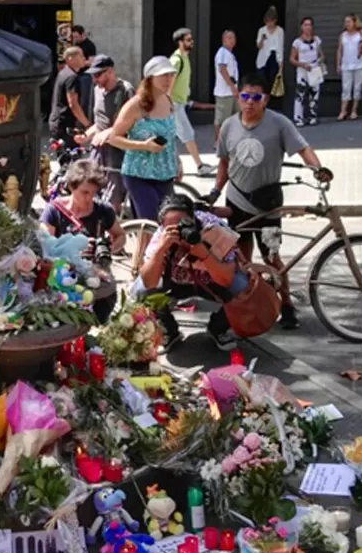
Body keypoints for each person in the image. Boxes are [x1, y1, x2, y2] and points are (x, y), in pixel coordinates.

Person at [214, 71, 332, 330]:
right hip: (236, 203)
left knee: (273, 258)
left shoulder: (279, 124)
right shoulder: (228, 126)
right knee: (241, 260)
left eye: (256, 97)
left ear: (265, 99)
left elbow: (303, 149)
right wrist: (215, 190)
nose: (250, 102)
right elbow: (224, 162)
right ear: (238, 97)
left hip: (268, 206)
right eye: (245, 96)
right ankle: (245, 306)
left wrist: (318, 168)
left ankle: (287, 304)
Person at [136, 194, 252, 351]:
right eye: (172, 226)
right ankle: (169, 330)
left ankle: (218, 328)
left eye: (184, 224)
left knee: (243, 289)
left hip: (212, 283)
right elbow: (148, 281)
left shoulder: (215, 228)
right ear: (163, 225)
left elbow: (227, 279)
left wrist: (205, 254)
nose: (179, 231)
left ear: (194, 217)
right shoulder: (162, 234)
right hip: (176, 282)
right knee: (142, 290)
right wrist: (162, 248)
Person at [41, 159, 122, 321]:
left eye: (93, 193)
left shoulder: (103, 210)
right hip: (63, 277)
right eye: (84, 192)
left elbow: (120, 235)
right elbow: (45, 247)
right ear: (72, 187)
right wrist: (72, 251)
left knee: (103, 306)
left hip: (96, 273)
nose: (89, 198)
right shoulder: (54, 211)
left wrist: (109, 247)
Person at [108, 56, 182, 222]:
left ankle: (146, 248)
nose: (168, 80)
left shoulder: (168, 100)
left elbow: (171, 136)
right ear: (150, 78)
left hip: (166, 173)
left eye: (171, 75)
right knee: (151, 223)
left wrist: (177, 160)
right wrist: (144, 146)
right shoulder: (135, 105)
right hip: (140, 175)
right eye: (163, 75)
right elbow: (114, 138)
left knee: (169, 222)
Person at [83, 55, 133, 212]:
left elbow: (133, 121)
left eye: (98, 75)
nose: (94, 79)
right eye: (92, 75)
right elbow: (99, 120)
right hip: (98, 150)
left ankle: (114, 227)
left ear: (110, 71)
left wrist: (109, 132)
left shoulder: (125, 90)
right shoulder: (97, 90)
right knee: (93, 189)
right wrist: (87, 134)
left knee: (114, 194)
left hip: (117, 149)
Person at [168, 28, 216, 176]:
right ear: (180, 42)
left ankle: (174, 166)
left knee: (170, 137)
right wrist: (169, 104)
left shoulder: (184, 58)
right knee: (187, 135)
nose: (191, 42)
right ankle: (200, 166)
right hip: (174, 105)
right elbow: (169, 84)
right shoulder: (176, 60)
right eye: (188, 40)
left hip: (178, 104)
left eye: (191, 39)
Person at [336, 14, 362, 121]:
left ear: (354, 22)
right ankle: (343, 111)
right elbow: (340, 50)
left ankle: (354, 111)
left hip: (360, 64)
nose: (346, 24)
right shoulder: (343, 35)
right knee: (346, 87)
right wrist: (338, 64)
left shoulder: (361, 33)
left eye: (349, 21)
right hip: (346, 64)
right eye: (345, 22)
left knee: (357, 87)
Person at [289, 17, 325, 127]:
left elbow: (321, 55)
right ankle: (298, 118)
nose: (308, 27)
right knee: (300, 94)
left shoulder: (317, 40)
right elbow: (292, 58)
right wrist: (302, 64)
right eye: (305, 25)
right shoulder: (297, 42)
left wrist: (319, 61)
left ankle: (313, 116)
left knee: (314, 93)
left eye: (309, 25)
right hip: (303, 69)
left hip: (314, 69)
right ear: (301, 26)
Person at [49, 46, 89, 141]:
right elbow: (73, 104)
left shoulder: (63, 73)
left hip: (57, 121)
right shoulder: (72, 77)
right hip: (65, 124)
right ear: (70, 59)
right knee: (71, 154)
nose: (84, 58)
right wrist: (87, 124)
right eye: (81, 56)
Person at [212, 30, 240, 149]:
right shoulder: (222, 53)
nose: (232, 40)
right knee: (221, 119)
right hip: (224, 93)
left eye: (233, 38)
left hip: (231, 92)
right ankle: (218, 143)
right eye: (229, 38)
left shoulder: (230, 54)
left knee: (235, 117)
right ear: (223, 40)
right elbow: (222, 69)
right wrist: (231, 86)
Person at [255, 7, 285, 104]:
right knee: (261, 80)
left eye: (270, 21)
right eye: (267, 21)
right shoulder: (262, 30)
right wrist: (262, 40)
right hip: (263, 58)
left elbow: (280, 46)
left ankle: (270, 102)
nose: (268, 24)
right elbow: (258, 46)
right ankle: (261, 101)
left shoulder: (280, 31)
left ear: (275, 21)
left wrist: (280, 63)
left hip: (274, 57)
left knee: (272, 80)